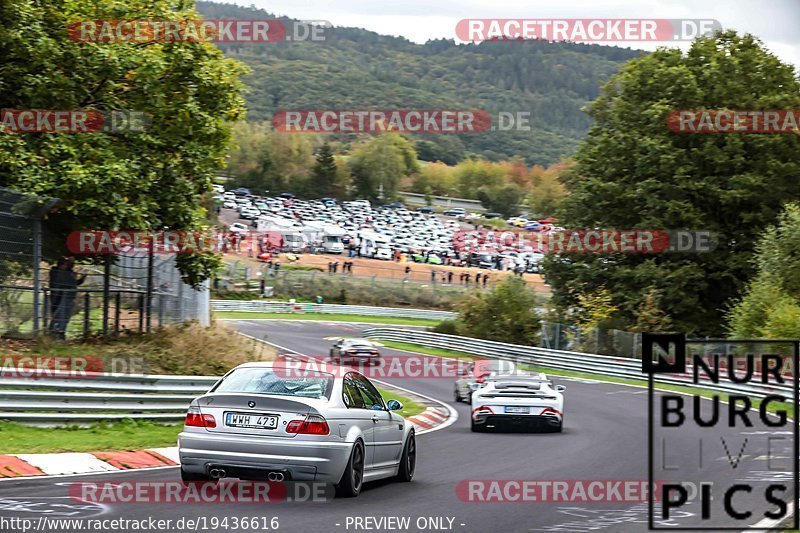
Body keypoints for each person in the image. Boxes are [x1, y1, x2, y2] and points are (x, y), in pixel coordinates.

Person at [48, 257, 86, 339]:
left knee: (65, 316)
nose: (71, 265)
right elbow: (64, 282)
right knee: (58, 315)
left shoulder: (68, 273)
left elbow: (74, 283)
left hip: (69, 296)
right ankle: (54, 333)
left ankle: (60, 333)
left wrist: (82, 278)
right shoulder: (56, 272)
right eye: (67, 264)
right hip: (59, 297)